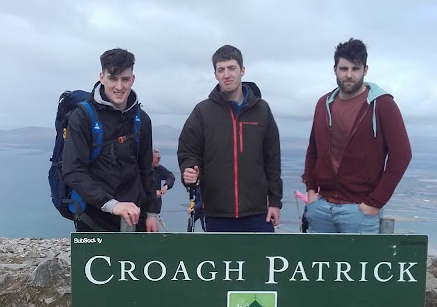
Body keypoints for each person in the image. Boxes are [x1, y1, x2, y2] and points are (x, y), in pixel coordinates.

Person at [303, 38, 412, 234]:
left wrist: (374, 203)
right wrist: (311, 190)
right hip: (321, 208)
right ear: (335, 69)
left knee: (359, 265)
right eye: (344, 69)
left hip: (359, 212)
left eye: (356, 69)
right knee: (317, 264)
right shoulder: (323, 104)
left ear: (365, 70)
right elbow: (313, 149)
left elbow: (402, 155)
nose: (349, 75)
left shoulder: (382, 105)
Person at [178, 44, 282, 232]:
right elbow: (188, 152)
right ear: (215, 74)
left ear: (242, 70)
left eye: (231, 68)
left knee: (259, 262)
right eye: (221, 70)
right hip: (216, 213)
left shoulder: (262, 110)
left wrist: (275, 201)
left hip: (258, 213)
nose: (226, 74)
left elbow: (272, 160)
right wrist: (189, 170)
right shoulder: (203, 111)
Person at [62, 48, 159, 232]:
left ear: (133, 79)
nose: (119, 86)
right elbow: (73, 170)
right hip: (93, 217)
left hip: (134, 217)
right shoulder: (83, 117)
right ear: (102, 77)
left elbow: (146, 170)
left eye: (125, 79)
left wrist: (152, 213)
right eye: (113, 78)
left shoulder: (142, 120)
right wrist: (111, 204)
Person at [152, 149, 175, 214]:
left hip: (155, 207)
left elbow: (170, 176)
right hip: (143, 207)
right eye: (158, 158)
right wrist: (152, 193)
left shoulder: (159, 169)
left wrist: (166, 186)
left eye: (160, 158)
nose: (159, 160)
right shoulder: (142, 170)